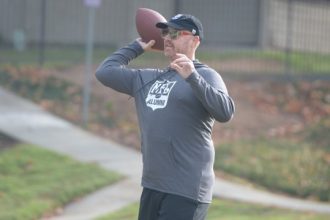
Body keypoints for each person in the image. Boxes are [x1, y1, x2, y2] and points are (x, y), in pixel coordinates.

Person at [96, 13, 235, 220]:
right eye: (165, 32)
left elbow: (225, 112)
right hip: (153, 185)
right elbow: (105, 72)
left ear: (195, 40)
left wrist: (192, 77)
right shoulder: (147, 77)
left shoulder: (206, 75)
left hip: (186, 189)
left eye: (176, 33)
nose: (167, 38)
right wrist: (136, 47)